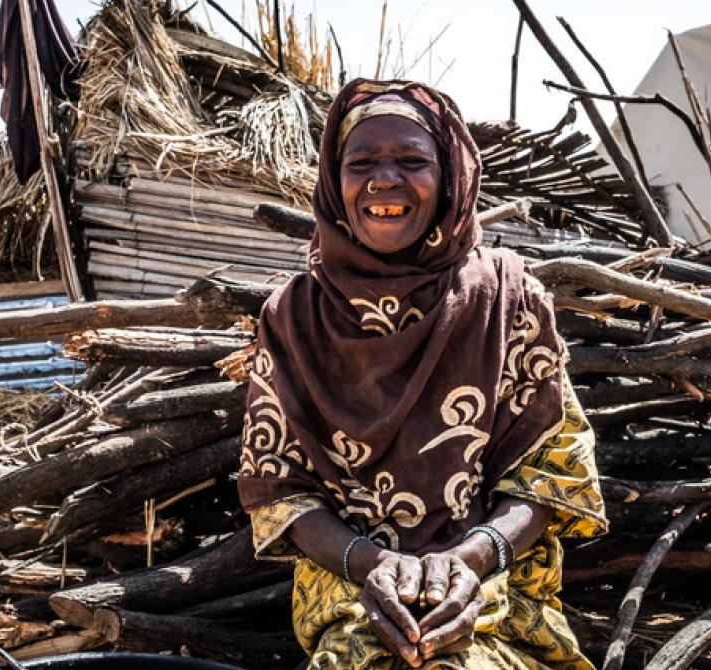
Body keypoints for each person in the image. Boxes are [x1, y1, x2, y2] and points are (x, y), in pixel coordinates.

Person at [238, 79, 606, 670]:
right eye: (362, 163)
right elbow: (279, 490)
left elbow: (551, 471)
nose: (385, 179)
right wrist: (373, 564)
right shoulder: (293, 318)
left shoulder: (508, 297)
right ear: (336, 183)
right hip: (348, 583)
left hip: (495, 581)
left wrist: (469, 561)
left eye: (412, 160)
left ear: (449, 180)